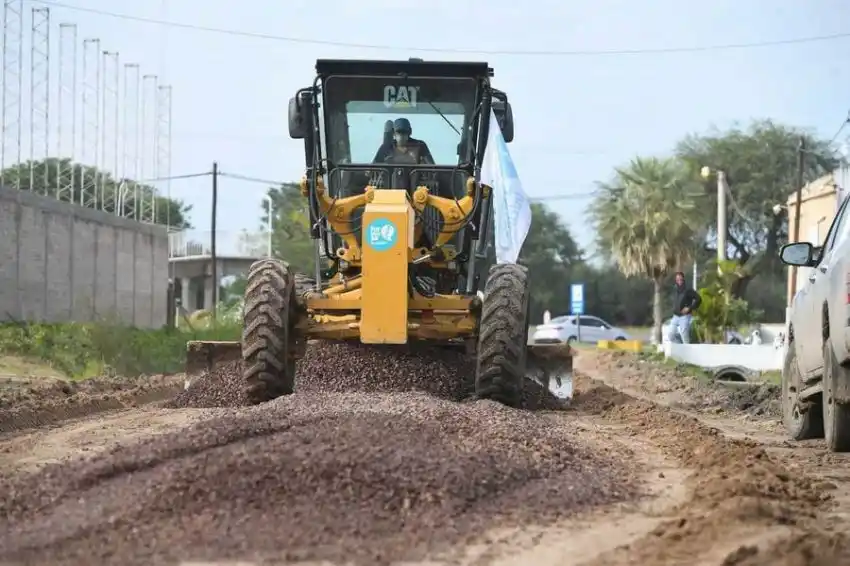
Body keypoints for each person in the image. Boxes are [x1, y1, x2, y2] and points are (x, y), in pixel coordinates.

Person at [668, 271, 701, 344]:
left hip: (685, 316)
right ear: (675, 280)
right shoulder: (675, 289)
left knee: (684, 336)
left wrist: (689, 308)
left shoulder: (688, 290)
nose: (679, 281)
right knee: (670, 335)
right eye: (677, 280)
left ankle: (687, 350)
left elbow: (698, 299)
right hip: (675, 316)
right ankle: (680, 347)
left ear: (683, 279)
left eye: (681, 279)